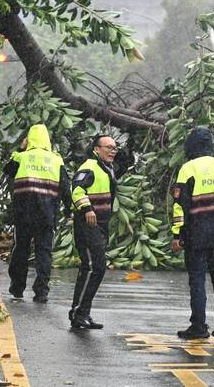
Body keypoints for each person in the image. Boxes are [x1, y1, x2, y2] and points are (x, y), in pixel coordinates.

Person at [171, 127, 214, 340]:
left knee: (198, 280)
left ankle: (199, 326)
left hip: (196, 235)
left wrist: (177, 235)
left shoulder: (188, 168)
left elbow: (179, 206)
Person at [68, 134, 133, 330]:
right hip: (87, 224)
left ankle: (83, 313)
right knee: (93, 266)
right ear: (96, 149)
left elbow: (126, 160)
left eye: (115, 147)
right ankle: (78, 312)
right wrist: (87, 208)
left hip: (101, 224)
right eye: (108, 147)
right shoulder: (90, 167)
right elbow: (76, 190)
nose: (113, 151)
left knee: (96, 268)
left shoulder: (108, 168)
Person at [3, 124, 72, 303]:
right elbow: (65, 187)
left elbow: (7, 172)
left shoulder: (20, 157)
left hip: (23, 214)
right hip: (47, 214)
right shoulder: (57, 160)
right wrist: (69, 209)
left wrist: (21, 148)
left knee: (21, 250)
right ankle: (41, 292)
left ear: (29, 139)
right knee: (44, 252)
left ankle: (17, 288)